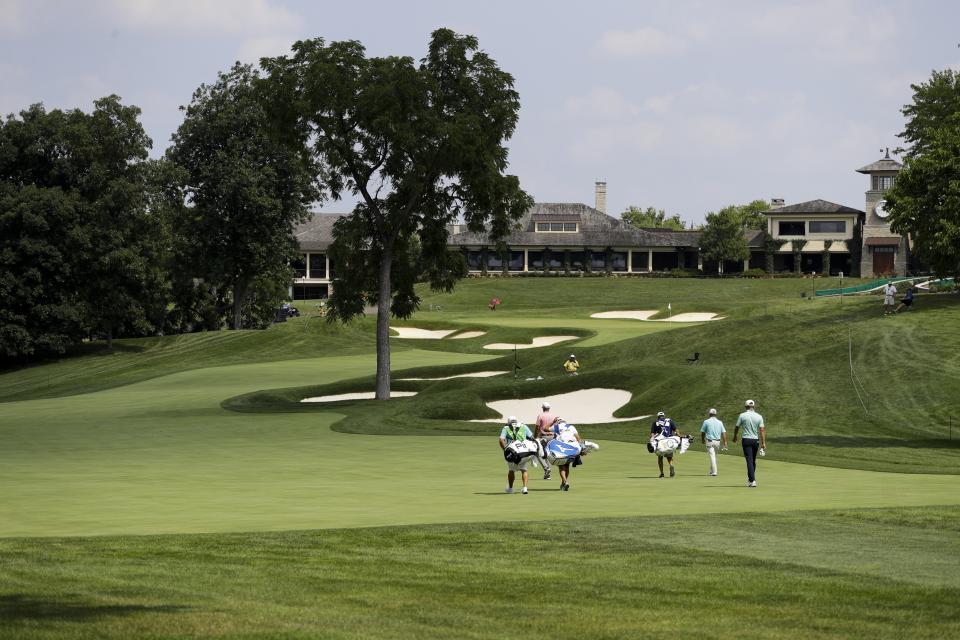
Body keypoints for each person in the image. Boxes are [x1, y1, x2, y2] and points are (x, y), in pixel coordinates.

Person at [733, 399, 766, 487]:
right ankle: (750, 479)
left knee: (749, 460)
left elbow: (737, 427)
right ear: (753, 406)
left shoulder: (742, 415)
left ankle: (752, 480)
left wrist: (735, 436)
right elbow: (762, 430)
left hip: (746, 440)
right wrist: (763, 443)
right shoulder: (759, 416)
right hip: (756, 440)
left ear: (745, 406)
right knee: (753, 461)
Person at [499, 415, 533, 494]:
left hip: (512, 451)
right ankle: (525, 488)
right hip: (523, 451)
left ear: (508, 422)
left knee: (511, 470)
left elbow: (501, 439)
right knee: (524, 470)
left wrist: (505, 449)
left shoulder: (506, 428)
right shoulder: (523, 426)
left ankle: (510, 489)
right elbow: (532, 437)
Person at [551, 417, 583, 491]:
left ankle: (565, 482)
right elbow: (578, 439)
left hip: (561, 448)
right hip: (571, 448)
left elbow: (545, 428)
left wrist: (553, 422)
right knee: (567, 466)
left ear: (558, 422)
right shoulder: (571, 426)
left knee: (561, 466)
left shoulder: (556, 426)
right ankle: (563, 483)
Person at [650, 411, 682, 477]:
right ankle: (671, 465)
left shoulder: (655, 423)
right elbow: (676, 430)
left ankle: (662, 473)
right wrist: (679, 436)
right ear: (664, 416)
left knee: (660, 457)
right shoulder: (669, 421)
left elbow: (652, 433)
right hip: (669, 442)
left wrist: (652, 440)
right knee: (669, 457)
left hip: (660, 443)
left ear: (658, 417)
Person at [700, 408, 728, 476]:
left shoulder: (706, 421)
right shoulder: (720, 422)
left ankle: (714, 472)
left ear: (709, 414)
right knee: (714, 456)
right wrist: (725, 442)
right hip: (717, 442)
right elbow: (723, 433)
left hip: (709, 441)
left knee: (712, 456)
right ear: (715, 414)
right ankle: (711, 471)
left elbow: (703, 432)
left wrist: (702, 439)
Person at [534, 401, 557, 480]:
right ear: (549, 408)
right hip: (553, 437)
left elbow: (537, 427)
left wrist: (535, 437)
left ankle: (546, 468)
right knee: (546, 454)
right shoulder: (554, 416)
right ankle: (547, 475)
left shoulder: (540, 415)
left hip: (543, 437)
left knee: (539, 453)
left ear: (543, 408)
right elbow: (556, 427)